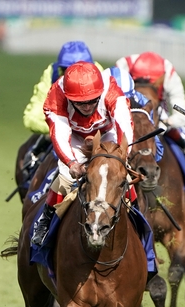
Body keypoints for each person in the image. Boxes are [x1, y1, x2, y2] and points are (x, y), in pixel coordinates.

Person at [31, 62, 134, 245]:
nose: (86, 107)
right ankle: (45, 221)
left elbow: (124, 127)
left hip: (107, 135)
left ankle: (138, 219)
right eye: (79, 102)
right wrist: (71, 163)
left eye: (92, 100)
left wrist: (123, 156)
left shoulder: (111, 90)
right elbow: (60, 134)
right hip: (75, 138)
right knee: (65, 177)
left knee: (122, 175)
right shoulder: (56, 96)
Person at [21, 41, 102, 176]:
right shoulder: (52, 73)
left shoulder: (100, 74)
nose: (74, 76)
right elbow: (30, 118)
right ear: (60, 69)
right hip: (63, 127)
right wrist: (59, 129)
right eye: (66, 70)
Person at [115, 51, 185, 166]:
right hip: (129, 107)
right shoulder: (122, 67)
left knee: (181, 136)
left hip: (158, 109)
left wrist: (169, 122)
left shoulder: (169, 73)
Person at [103, 66, 163, 161]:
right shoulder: (95, 102)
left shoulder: (142, 101)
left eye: (127, 98)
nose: (121, 103)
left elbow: (158, 151)